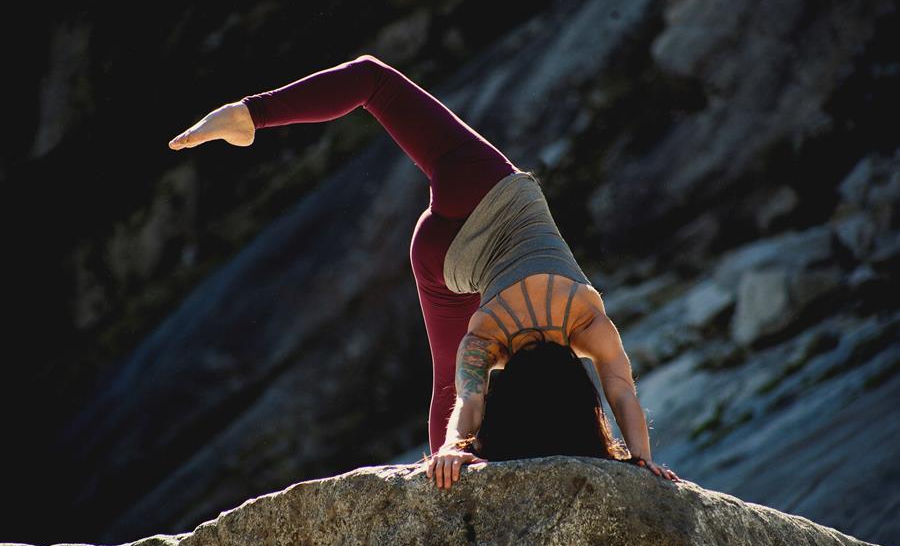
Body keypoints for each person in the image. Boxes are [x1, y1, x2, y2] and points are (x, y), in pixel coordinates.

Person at [168, 54, 681, 490]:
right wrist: (455, 449)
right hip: (443, 262)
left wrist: (643, 456)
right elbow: (468, 402)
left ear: (574, 379)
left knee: (374, 82)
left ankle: (249, 116)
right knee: (443, 380)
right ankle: (438, 473)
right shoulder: (488, 337)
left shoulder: (586, 319)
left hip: (484, 189)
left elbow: (620, 391)